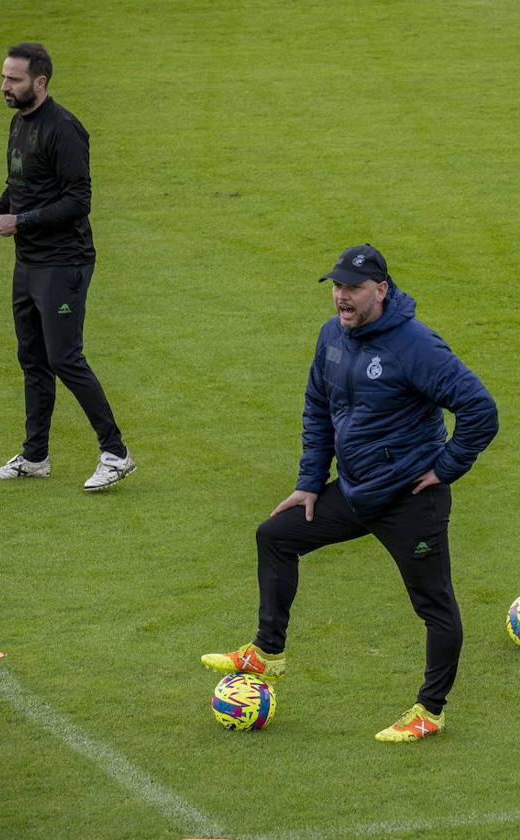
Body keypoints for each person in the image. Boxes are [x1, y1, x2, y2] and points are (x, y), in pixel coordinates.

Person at [201, 244, 498, 742]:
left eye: (353, 288)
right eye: (337, 287)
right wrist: (309, 483)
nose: (342, 297)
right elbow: (318, 406)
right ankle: (267, 653)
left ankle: (430, 710)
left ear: (380, 290)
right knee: (275, 535)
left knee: (434, 605)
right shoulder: (332, 337)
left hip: (409, 500)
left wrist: (445, 468)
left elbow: (479, 409)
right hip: (357, 492)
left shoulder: (414, 346)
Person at [0, 42, 134, 491]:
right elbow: (17, 188)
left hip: (65, 262)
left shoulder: (65, 129)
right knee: (33, 359)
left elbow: (79, 201)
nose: (4, 86)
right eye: (3, 77)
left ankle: (116, 452)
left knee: (64, 357)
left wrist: (23, 221)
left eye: (13, 79)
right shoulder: (19, 124)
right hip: (29, 263)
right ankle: (35, 456)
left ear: (40, 82)